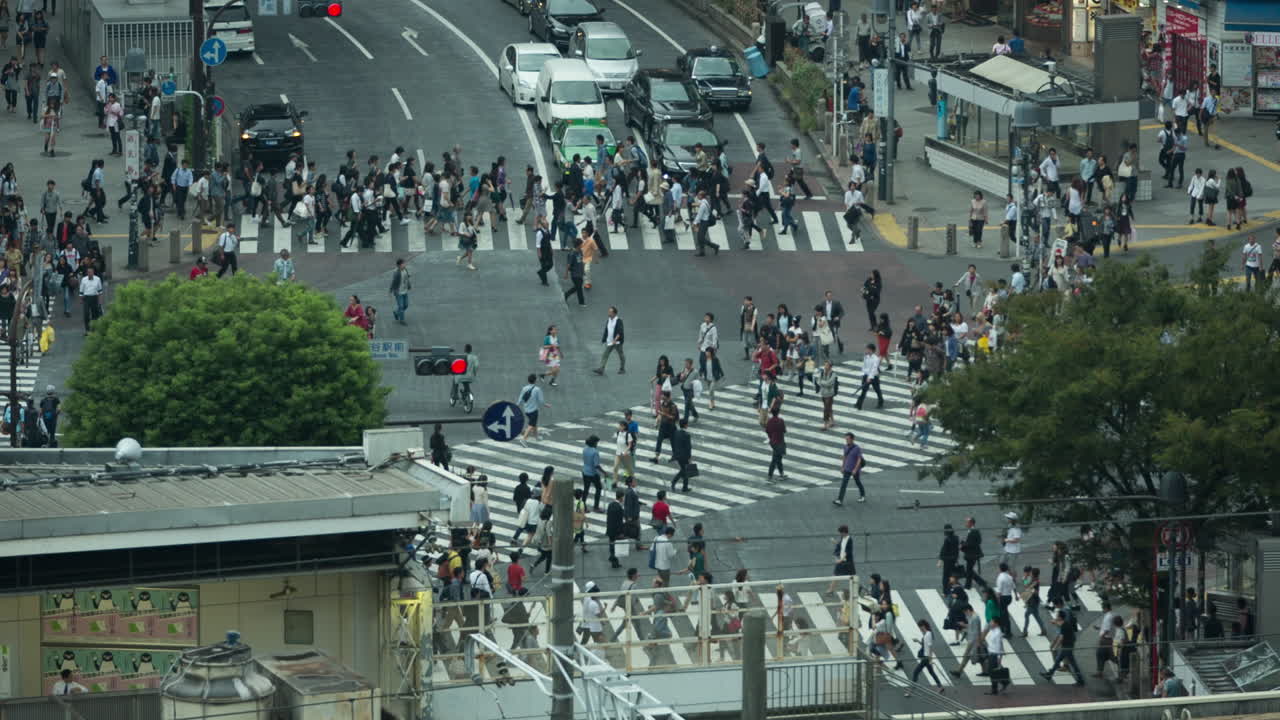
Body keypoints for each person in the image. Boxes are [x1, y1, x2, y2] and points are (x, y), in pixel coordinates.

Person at [592, 305, 625, 375]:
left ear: (614, 313)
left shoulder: (618, 321)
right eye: (609, 312)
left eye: (610, 312)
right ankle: (601, 369)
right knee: (605, 355)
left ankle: (622, 368)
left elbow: (620, 332)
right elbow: (606, 330)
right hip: (610, 342)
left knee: (621, 355)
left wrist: (615, 340)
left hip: (617, 342)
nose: (608, 313)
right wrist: (603, 340)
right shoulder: (608, 320)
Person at [517, 373, 548, 447]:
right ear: (535, 380)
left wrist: (516, 405)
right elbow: (541, 400)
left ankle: (536, 437)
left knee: (534, 424)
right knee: (531, 425)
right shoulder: (537, 389)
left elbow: (520, 398)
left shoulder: (524, 388)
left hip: (526, 410)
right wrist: (546, 404)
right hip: (533, 410)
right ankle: (523, 439)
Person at [834, 432, 864, 505]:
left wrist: (855, 469)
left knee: (858, 482)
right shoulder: (845, 447)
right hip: (847, 469)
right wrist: (842, 467)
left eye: (848, 439)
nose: (846, 440)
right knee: (844, 484)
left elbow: (859, 459)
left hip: (854, 469)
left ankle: (862, 495)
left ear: (852, 439)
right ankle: (840, 500)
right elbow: (844, 457)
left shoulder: (857, 448)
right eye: (846, 439)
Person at [854, 343, 883, 410]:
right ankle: (859, 404)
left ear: (871, 350)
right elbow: (864, 366)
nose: (866, 350)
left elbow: (874, 369)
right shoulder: (866, 357)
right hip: (866, 375)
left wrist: (870, 378)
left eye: (867, 349)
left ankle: (880, 402)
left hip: (874, 377)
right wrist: (864, 373)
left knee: (877, 390)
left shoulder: (876, 359)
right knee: (863, 390)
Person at [581, 435, 605, 512]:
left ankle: (583, 507)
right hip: (593, 473)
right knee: (598, 488)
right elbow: (596, 465)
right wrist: (604, 472)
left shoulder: (585, 449)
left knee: (586, 490)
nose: (597, 444)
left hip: (585, 472)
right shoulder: (595, 452)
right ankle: (596, 507)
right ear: (594, 443)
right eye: (596, 442)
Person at [765, 406, 787, 482]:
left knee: (778, 458)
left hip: (773, 442)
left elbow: (767, 431)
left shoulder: (770, 421)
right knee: (775, 459)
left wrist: (771, 437)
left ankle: (781, 474)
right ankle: (770, 476)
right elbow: (784, 430)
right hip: (780, 442)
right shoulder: (780, 421)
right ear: (778, 412)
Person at [79, 265, 103, 333]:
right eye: (88, 272)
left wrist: (100, 301)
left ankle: (94, 329)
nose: (90, 273)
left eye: (91, 272)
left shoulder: (97, 279)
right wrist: (81, 299)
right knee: (86, 314)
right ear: (87, 273)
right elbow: (81, 291)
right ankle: (87, 330)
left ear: (93, 272)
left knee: (95, 315)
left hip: (94, 298)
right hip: (86, 298)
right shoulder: (84, 279)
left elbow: (100, 291)